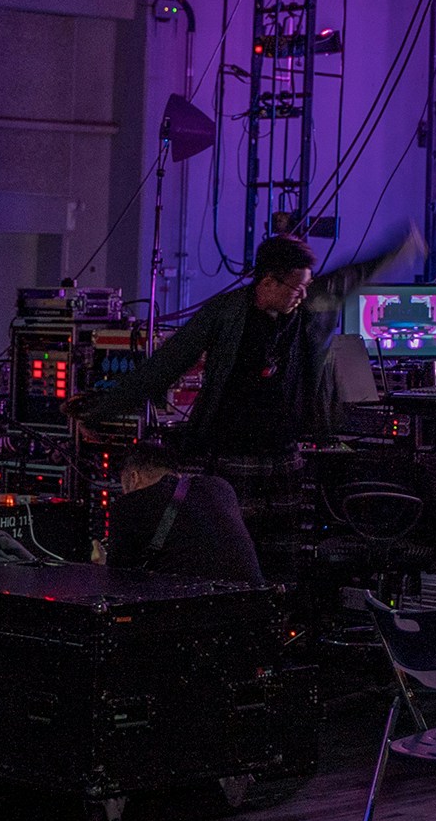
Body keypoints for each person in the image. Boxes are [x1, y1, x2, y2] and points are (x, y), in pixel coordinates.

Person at [68, 236, 367, 520]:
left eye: (307, 286)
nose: (303, 295)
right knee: (228, 549)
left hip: (282, 450)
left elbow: (348, 275)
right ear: (268, 282)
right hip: (228, 450)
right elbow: (165, 364)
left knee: (279, 560)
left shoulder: (306, 308)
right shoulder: (225, 312)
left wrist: (406, 245)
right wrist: (99, 412)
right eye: (296, 287)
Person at [106, 442, 265, 585]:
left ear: (134, 477)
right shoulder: (220, 486)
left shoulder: (128, 505)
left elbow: (120, 581)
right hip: (254, 600)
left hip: (195, 607)